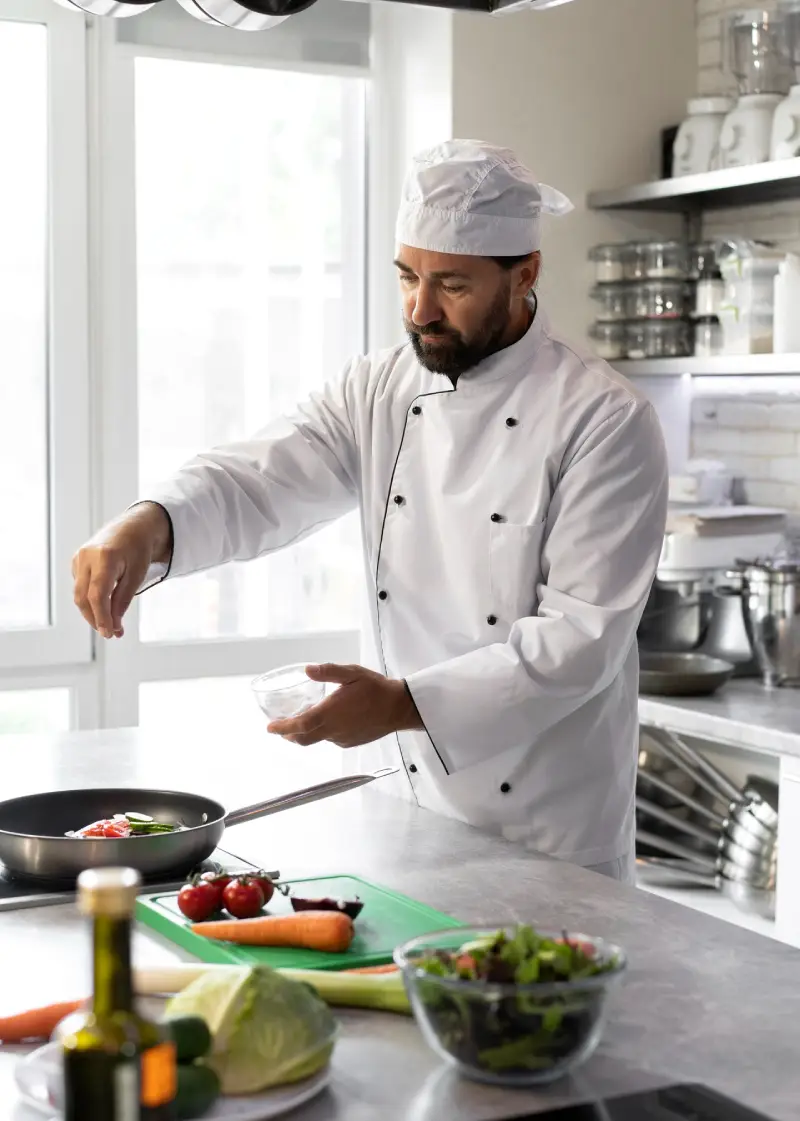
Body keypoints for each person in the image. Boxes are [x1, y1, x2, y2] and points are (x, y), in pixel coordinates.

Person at [73, 139, 668, 883]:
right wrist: (149, 522)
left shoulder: (603, 419)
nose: (421, 309)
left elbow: (579, 641)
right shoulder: (380, 387)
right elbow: (262, 477)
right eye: (408, 277)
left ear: (526, 275)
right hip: (411, 810)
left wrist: (400, 703)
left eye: (452, 283)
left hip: (551, 832)